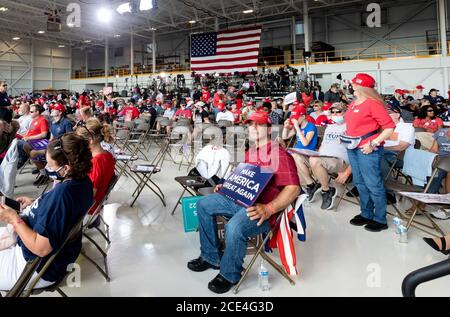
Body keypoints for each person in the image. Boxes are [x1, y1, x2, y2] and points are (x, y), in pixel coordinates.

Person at [187, 110, 300, 294]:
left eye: (259, 124)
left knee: (234, 226)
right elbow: (243, 177)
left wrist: (270, 208)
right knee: (204, 204)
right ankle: (211, 256)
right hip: (240, 200)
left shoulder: (279, 154)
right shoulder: (250, 152)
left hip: (260, 209)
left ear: (269, 128)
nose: (253, 127)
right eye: (250, 124)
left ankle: (230, 273)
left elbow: (293, 188)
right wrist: (226, 185)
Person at [0, 133, 94, 291]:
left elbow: (41, 248)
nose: (46, 168)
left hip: (34, 266)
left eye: (50, 165)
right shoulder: (83, 182)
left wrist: (13, 219)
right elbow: (57, 213)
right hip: (39, 253)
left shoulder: (63, 195)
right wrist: (36, 204)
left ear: (65, 168)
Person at [344, 73, 395, 232]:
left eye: (353, 83)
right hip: (353, 147)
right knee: (359, 182)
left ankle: (380, 218)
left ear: (358, 86)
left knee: (373, 183)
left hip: (368, 148)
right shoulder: (354, 104)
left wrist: (373, 143)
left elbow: (389, 127)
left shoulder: (373, 104)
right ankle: (366, 213)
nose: (351, 85)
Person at [300, 103, 352, 209]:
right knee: (296, 156)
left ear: (345, 112)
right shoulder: (329, 127)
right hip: (323, 157)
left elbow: (357, 153)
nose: (335, 114)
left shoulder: (350, 126)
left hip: (340, 161)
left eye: (339, 111)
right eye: (332, 112)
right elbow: (324, 145)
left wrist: (347, 172)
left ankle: (327, 190)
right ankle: (311, 184)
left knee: (315, 161)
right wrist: (316, 153)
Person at [76, 118, 115, 221]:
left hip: (88, 210)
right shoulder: (107, 155)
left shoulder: (96, 162)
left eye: (80, 140)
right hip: (95, 204)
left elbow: (91, 193)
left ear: (91, 140)